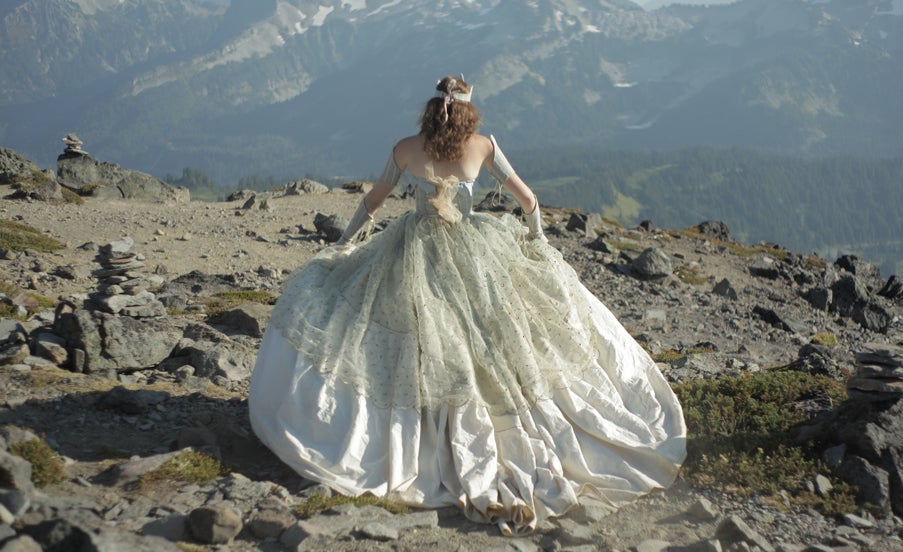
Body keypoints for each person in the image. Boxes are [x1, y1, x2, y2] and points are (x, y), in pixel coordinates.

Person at [248, 75, 686, 535]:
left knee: (413, 336)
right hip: (478, 254)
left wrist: (342, 243)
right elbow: (530, 199)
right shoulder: (484, 147)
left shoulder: (405, 148)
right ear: (468, 113)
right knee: (492, 337)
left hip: (413, 251)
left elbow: (373, 201)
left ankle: (424, 431)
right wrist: (538, 244)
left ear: (431, 109)